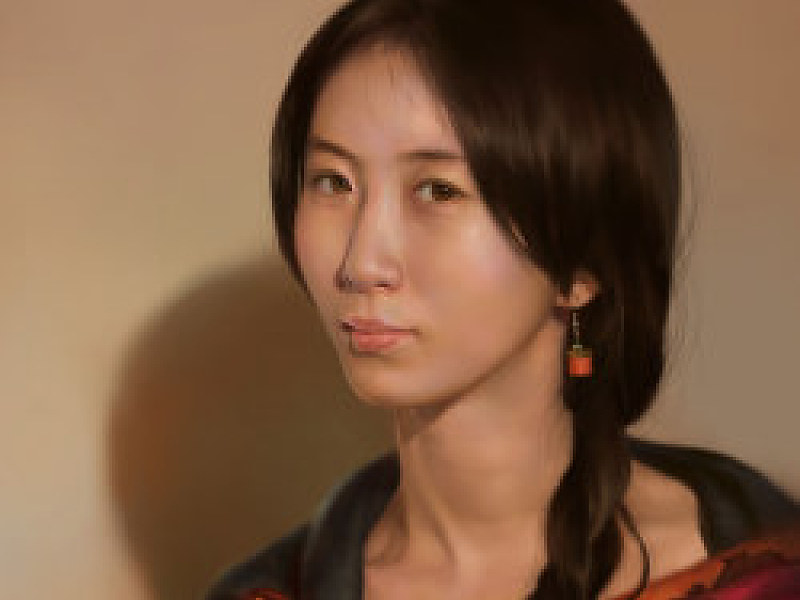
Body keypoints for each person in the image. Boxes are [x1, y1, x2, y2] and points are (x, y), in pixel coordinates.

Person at [206, 0, 800, 598]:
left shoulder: (764, 570)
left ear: (582, 268)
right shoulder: (271, 589)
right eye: (333, 181)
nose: (361, 264)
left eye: (438, 191)